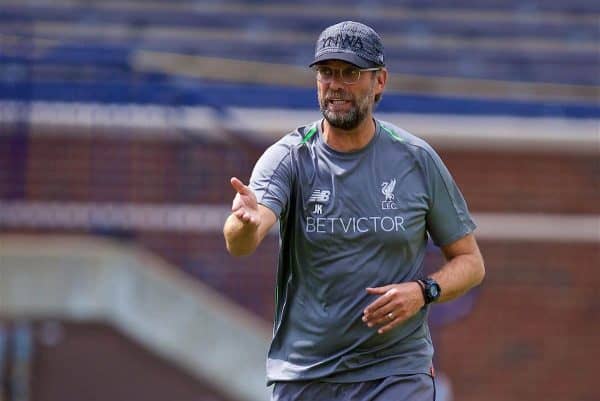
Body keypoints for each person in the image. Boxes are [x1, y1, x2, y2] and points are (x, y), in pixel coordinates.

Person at [223, 21, 485, 401]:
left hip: (396, 372)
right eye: (327, 73)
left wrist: (423, 291)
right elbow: (242, 239)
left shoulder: (415, 159)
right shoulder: (289, 158)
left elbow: (471, 262)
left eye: (351, 73)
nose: (337, 85)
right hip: (307, 375)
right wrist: (244, 224)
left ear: (379, 81)